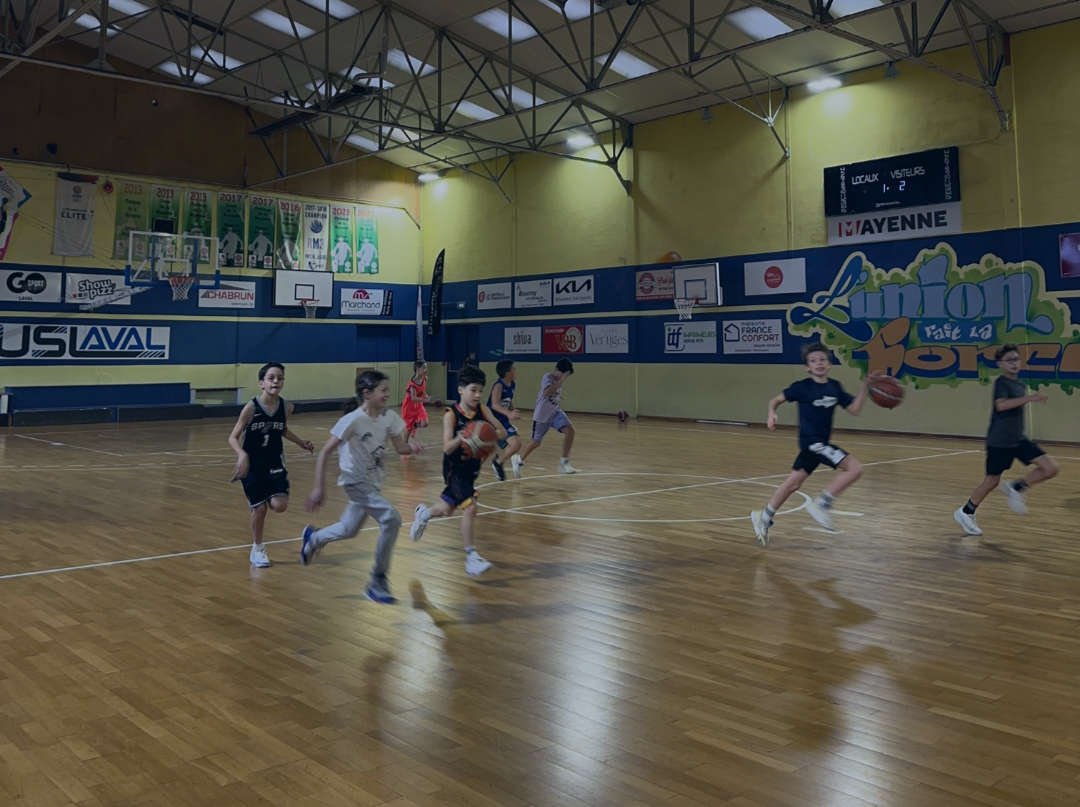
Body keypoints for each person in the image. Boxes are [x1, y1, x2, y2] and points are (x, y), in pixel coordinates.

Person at [301, 371, 423, 603]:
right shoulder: (352, 420)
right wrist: (319, 488)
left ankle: (314, 538)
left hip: (373, 483)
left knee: (349, 529)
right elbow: (325, 452)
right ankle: (376, 580)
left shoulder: (388, 417)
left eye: (387, 390)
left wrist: (412, 448)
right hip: (354, 482)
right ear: (367, 394)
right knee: (392, 518)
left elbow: (400, 447)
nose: (388, 394)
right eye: (383, 390)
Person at [750, 342, 879, 546]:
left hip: (818, 445)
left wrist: (864, 387)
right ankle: (822, 503)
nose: (818, 363)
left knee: (793, 483)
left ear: (829, 364)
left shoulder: (834, 387)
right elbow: (775, 400)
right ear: (807, 367)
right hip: (813, 443)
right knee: (855, 469)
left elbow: (854, 410)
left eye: (822, 359)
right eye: (813, 361)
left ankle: (763, 516)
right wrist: (771, 413)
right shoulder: (802, 388)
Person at [409, 365, 507, 577]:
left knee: (446, 510)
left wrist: (483, 433)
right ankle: (471, 558)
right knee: (470, 508)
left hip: (472, 470)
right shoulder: (451, 414)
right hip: (454, 470)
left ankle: (423, 514)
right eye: (473, 390)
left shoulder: (482, 410)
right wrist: (464, 436)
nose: (477, 394)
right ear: (461, 390)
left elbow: (501, 431)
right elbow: (446, 447)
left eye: (480, 390)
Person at [954, 343, 1059, 536]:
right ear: (1000, 364)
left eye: (1017, 359)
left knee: (1051, 468)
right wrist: (1029, 398)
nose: (1014, 363)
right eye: (1009, 360)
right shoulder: (1001, 383)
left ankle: (1016, 487)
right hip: (999, 441)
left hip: (1018, 439)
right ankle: (965, 512)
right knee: (991, 482)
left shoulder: (1020, 385)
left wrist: (1028, 397)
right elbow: (1001, 405)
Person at [228, 362, 314, 567]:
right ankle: (257, 549)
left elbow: (282, 429)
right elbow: (233, 437)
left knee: (279, 506)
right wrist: (242, 455)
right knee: (260, 510)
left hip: (275, 462)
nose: (276, 381)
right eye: (271, 378)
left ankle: (266, 498)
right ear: (261, 383)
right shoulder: (250, 408)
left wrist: (300, 441)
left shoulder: (287, 407)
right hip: (252, 466)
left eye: (280, 378)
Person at [515, 357, 576, 477]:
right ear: (556, 369)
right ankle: (518, 460)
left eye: (566, 377)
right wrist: (560, 381)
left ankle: (564, 463)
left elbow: (553, 395)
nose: (563, 378)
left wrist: (559, 399)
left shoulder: (559, 382)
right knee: (535, 442)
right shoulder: (547, 377)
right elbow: (546, 392)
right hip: (542, 416)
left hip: (555, 413)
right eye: (563, 375)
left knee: (570, 431)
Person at [487, 359, 522, 481]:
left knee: (516, 444)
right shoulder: (498, 385)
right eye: (514, 369)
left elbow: (508, 399)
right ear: (508, 374)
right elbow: (494, 405)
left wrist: (513, 409)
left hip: (503, 421)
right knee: (483, 449)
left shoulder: (512, 384)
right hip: (492, 421)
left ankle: (498, 462)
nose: (516, 371)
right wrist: (509, 413)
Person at [401, 360, 432, 457]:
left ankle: (416, 425)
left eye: (426, 367)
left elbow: (422, 391)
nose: (426, 369)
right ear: (418, 369)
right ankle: (404, 447)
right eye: (424, 368)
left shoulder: (424, 379)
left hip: (419, 406)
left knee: (425, 423)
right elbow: (413, 398)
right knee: (408, 429)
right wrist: (426, 400)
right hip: (409, 407)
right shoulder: (412, 384)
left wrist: (426, 396)